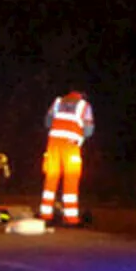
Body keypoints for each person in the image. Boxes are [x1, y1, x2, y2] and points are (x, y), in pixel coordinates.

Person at [40, 89, 94, 225]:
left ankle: (45, 214)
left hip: (53, 143)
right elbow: (88, 130)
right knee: (71, 177)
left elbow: (47, 122)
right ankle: (71, 218)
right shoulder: (84, 105)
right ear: (82, 96)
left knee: (51, 176)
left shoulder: (57, 102)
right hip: (70, 144)